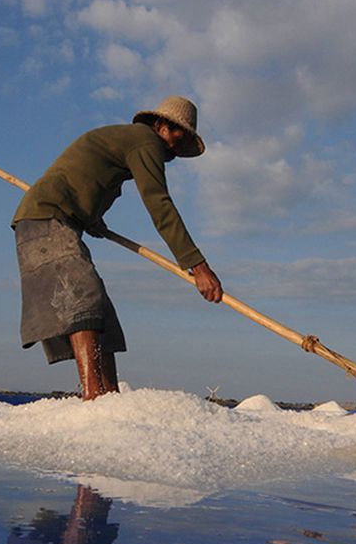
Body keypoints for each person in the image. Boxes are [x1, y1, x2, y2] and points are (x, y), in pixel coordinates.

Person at [12, 96, 222, 400]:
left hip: (65, 220)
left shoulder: (129, 144)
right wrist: (198, 265)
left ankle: (110, 397)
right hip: (45, 217)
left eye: (185, 139)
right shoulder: (144, 141)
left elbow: (90, 179)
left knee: (103, 317)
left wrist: (93, 220)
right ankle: (93, 395)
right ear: (161, 126)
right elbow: (159, 205)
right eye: (178, 135)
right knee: (84, 299)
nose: (177, 145)